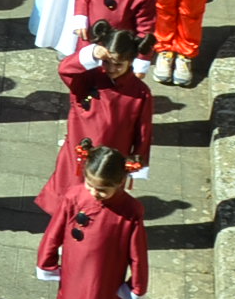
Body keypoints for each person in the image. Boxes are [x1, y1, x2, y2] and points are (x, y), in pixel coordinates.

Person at [36, 145, 148, 299]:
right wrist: (47, 261)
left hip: (107, 279)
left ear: (121, 182)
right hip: (74, 274)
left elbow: (137, 251)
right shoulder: (74, 196)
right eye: (90, 185)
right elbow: (55, 230)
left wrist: (136, 285)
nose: (95, 193)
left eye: (103, 189)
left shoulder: (131, 210)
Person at [39, 29, 154, 215]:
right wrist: (90, 53)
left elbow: (143, 131)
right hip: (79, 151)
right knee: (68, 194)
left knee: (101, 202)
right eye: (107, 62)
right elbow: (65, 69)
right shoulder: (89, 77)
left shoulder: (141, 93)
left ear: (130, 62)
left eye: (118, 64)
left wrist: (137, 162)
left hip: (111, 160)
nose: (111, 68)